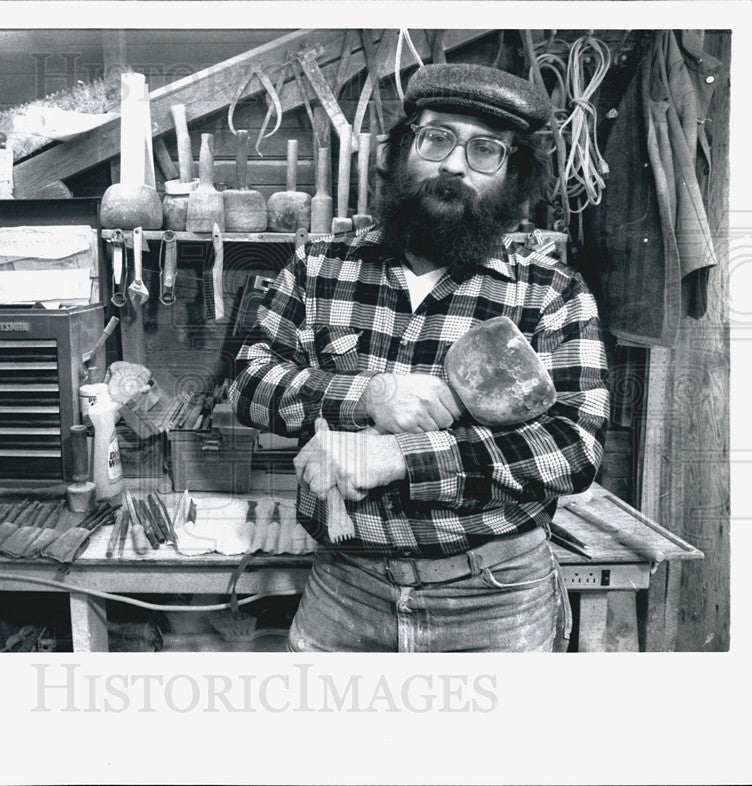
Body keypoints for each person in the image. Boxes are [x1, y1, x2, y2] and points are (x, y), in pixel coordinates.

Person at [228, 63, 610, 652]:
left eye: (486, 151)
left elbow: (572, 450)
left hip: (495, 597)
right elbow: (249, 384)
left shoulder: (549, 292)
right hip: (343, 591)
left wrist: (400, 455)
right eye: (437, 139)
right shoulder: (319, 265)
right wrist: (367, 395)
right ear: (406, 148)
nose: (455, 165)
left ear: (512, 176)